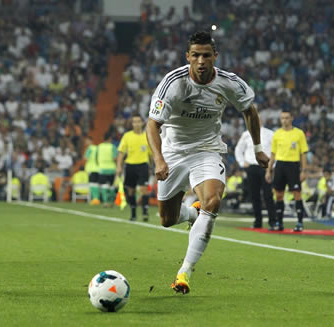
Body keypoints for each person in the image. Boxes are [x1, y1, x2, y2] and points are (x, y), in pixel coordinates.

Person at [146, 31, 269, 294]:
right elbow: (152, 124)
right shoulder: (173, 83)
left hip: (207, 150)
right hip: (173, 152)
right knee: (167, 219)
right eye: (196, 55)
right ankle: (191, 213)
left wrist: (258, 148)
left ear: (215, 56)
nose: (201, 61)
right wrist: (158, 159)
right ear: (187, 57)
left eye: (206, 55)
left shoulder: (230, 83)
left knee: (213, 201)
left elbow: (250, 111)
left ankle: (184, 272)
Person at [265, 109, 309, 232]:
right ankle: (279, 223)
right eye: (282, 118)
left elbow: (303, 153)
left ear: (291, 118)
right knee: (278, 195)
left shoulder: (299, 133)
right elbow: (272, 154)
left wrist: (304, 170)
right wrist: (269, 170)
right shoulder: (277, 134)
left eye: (287, 118)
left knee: (297, 194)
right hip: (280, 165)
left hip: (293, 165)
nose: (284, 120)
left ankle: (300, 222)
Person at [235, 122, 276, 229]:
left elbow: (275, 151)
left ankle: (273, 222)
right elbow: (238, 149)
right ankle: (258, 222)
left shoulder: (270, 133)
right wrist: (242, 162)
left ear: (261, 120)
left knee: (268, 195)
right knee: (254, 195)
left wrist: (272, 166)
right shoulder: (246, 134)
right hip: (251, 167)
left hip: (265, 167)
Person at [116, 113, 153, 221]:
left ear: (142, 123)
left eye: (138, 121)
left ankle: (145, 211)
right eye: (134, 122)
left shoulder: (147, 136)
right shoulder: (127, 136)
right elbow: (121, 153)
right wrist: (119, 166)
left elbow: (151, 154)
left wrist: (151, 166)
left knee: (144, 189)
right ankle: (133, 213)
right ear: (132, 124)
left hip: (143, 165)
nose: (136, 124)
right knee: (131, 191)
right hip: (130, 166)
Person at [97, 131, 118, 207]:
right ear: (109, 138)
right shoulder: (112, 147)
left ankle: (105, 202)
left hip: (102, 168)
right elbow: (115, 158)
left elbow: (96, 157)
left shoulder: (99, 146)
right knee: (112, 186)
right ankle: (111, 202)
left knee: (104, 186)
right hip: (111, 169)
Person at [84, 136, 100, 204]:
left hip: (91, 168)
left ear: (90, 141)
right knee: (96, 184)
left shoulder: (89, 149)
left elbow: (86, 158)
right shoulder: (97, 148)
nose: (85, 142)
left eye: (87, 141)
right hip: (98, 168)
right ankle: (97, 199)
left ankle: (95, 199)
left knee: (92, 184)